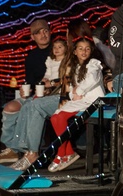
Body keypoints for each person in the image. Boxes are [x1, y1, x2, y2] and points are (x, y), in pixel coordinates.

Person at [7, 19, 100, 170]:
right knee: (30, 103)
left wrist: (57, 90)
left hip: (78, 98)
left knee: (35, 105)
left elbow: (73, 78)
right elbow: (66, 78)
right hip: (68, 95)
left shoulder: (79, 52)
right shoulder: (66, 53)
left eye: (67, 34)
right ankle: (26, 151)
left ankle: (31, 154)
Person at [0, 19, 52, 164]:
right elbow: (29, 81)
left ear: (50, 32)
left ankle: (23, 149)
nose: (43, 35)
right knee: (9, 107)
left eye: (45, 31)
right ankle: (11, 148)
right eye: (38, 33)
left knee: (29, 107)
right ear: (32, 37)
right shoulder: (31, 56)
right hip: (35, 93)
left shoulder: (57, 49)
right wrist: (25, 90)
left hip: (49, 95)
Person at [48, 37, 105, 172]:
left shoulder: (94, 63)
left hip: (94, 101)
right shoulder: (76, 67)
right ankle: (68, 151)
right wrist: (72, 94)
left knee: (60, 117)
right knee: (55, 118)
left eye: (87, 49)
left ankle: (61, 153)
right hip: (81, 101)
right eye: (80, 49)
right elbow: (72, 89)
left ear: (91, 51)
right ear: (75, 52)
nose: (84, 51)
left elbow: (92, 78)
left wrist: (78, 91)